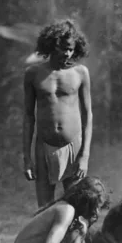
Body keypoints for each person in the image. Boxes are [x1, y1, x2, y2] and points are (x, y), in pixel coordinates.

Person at [23, 19, 93, 208]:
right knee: (45, 208)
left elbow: (88, 116)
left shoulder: (80, 73)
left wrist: (84, 156)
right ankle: (47, 239)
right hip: (44, 146)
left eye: (71, 49)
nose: (68, 53)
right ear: (52, 46)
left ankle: (76, 239)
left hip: (73, 146)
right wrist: (27, 158)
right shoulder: (33, 73)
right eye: (63, 48)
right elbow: (29, 117)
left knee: (76, 206)